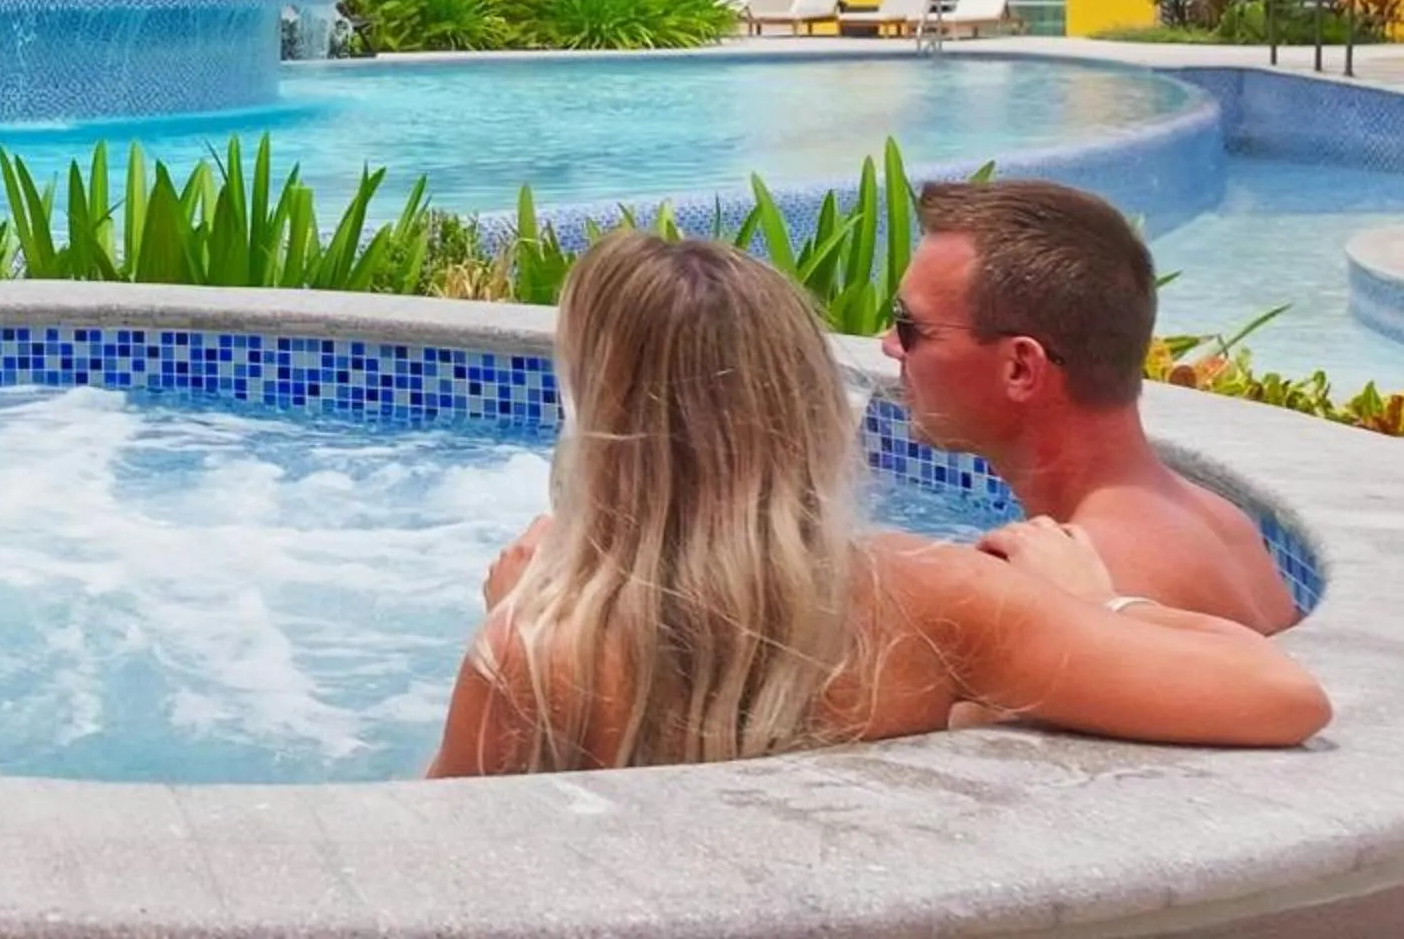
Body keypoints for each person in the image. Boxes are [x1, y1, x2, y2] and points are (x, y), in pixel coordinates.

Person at [430, 231, 1328, 778]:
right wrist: (1090, 605)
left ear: (601, 421)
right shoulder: (923, 599)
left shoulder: (537, 652)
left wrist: (519, 615)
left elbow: (426, 870)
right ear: (803, 409)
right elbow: (1282, 695)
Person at [886, 179, 1299, 633]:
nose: (888, 346)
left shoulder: (1074, 582)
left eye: (909, 327)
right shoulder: (1221, 522)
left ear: (1020, 368)